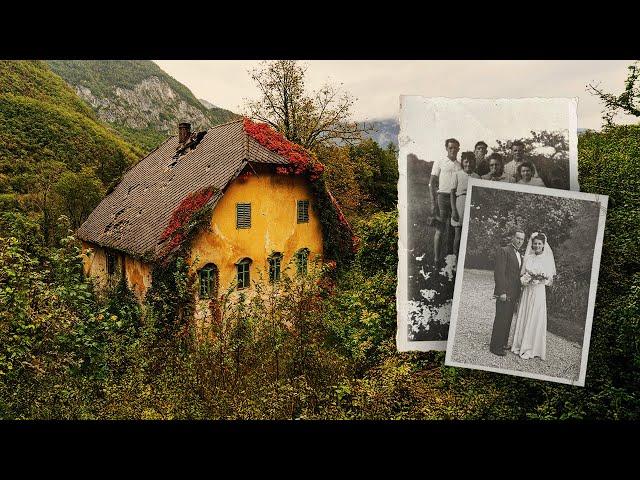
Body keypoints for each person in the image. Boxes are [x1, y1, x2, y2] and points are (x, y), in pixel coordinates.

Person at [511, 232, 556, 360]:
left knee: (534, 316)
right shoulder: (529, 258)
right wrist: (526, 279)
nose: (537, 246)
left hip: (538, 292)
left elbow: (549, 280)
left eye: (539, 244)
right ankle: (519, 345)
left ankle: (531, 348)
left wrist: (540, 279)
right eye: (535, 243)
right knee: (525, 314)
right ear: (532, 244)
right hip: (527, 291)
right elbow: (522, 274)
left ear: (543, 245)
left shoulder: (547, 259)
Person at [489, 228, 525, 356]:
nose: (520, 241)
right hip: (505, 292)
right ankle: (495, 347)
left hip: (514, 293)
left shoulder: (520, 255)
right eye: (518, 238)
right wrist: (502, 292)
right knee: (501, 318)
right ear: (513, 238)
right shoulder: (504, 251)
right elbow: (499, 273)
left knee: (508, 318)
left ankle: (503, 343)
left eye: (522, 239)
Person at [429, 138, 462, 266]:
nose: (453, 150)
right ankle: (436, 260)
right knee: (440, 230)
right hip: (442, 198)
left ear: (458, 149)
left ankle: (450, 261)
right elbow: (431, 183)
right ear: (446, 148)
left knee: (453, 231)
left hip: (456, 199)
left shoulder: (460, 165)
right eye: (450, 148)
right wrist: (433, 203)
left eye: (455, 148)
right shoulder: (440, 162)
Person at [450, 151, 480, 255]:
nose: (468, 164)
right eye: (466, 162)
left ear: (474, 163)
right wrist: (453, 210)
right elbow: (452, 193)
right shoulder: (457, 175)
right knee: (457, 235)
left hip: (472, 206)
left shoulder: (477, 177)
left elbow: (477, 195)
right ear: (462, 162)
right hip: (460, 205)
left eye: (471, 162)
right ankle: (455, 259)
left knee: (468, 236)